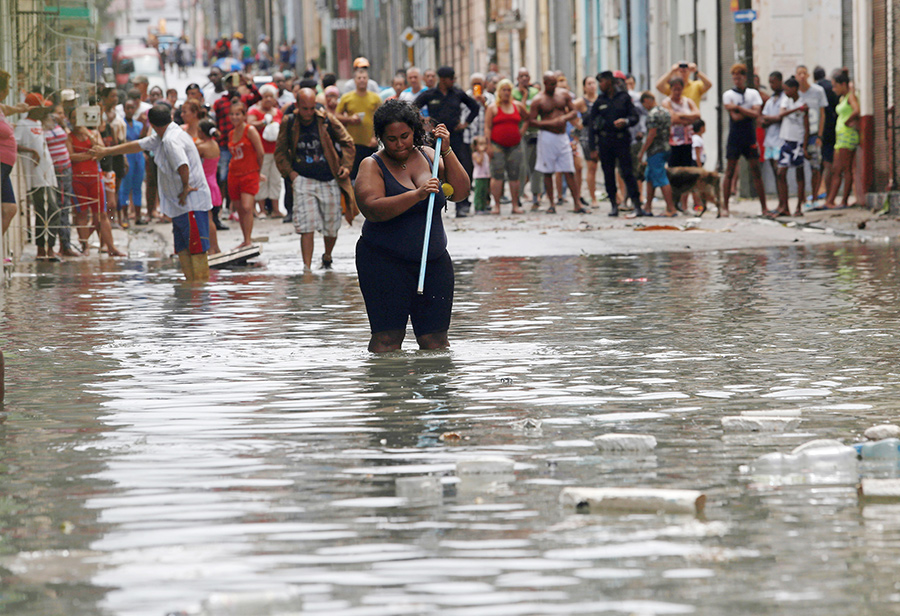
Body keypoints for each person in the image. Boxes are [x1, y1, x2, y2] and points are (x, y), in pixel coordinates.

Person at [353, 100, 470, 353]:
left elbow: (460, 192)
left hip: (434, 261)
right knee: (387, 340)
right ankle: (388, 389)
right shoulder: (371, 165)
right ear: (381, 138)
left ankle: (436, 389)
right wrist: (416, 195)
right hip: (383, 262)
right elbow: (372, 208)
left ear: (414, 131)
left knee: (435, 342)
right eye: (391, 139)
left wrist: (448, 151)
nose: (399, 144)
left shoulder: (431, 154)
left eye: (405, 136)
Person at [92, 104, 214, 281]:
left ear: (152, 124)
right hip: (180, 206)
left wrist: (186, 186)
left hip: (191, 203)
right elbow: (138, 145)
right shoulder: (163, 135)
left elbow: (183, 165)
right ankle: (192, 289)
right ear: (171, 118)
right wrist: (107, 151)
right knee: (182, 249)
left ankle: (200, 292)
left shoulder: (171, 140)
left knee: (197, 250)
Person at [274, 88, 357, 270]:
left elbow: (348, 141)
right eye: (305, 109)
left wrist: (346, 166)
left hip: (329, 177)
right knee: (306, 225)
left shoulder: (325, 119)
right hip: (303, 178)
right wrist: (291, 174)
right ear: (297, 106)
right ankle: (307, 268)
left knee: (332, 225)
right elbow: (279, 152)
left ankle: (327, 256)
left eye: (312, 108)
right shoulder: (290, 122)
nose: (309, 113)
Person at [413, 66, 480, 217]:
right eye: (451, 79)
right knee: (433, 170)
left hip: (455, 137)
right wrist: (423, 120)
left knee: (463, 167)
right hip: (435, 139)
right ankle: (434, 203)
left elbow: (474, 107)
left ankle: (462, 204)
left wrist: (466, 123)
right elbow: (412, 108)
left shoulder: (457, 93)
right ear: (443, 80)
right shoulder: (430, 94)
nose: (453, 81)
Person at [67, 108, 125, 257]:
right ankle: (85, 245)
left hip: (94, 178)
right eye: (72, 118)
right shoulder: (69, 136)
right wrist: (88, 154)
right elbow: (71, 156)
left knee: (101, 214)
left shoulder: (93, 133)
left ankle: (111, 247)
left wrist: (88, 135)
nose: (75, 122)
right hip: (78, 179)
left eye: (77, 118)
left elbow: (100, 152)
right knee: (82, 214)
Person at [527, 71, 584, 214]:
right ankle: (552, 203)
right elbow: (531, 120)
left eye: (555, 83)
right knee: (547, 171)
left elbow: (574, 111)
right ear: (545, 83)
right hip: (547, 137)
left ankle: (577, 203)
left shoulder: (563, 95)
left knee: (568, 169)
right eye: (551, 83)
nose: (553, 86)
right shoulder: (538, 100)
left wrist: (563, 118)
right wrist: (550, 122)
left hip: (562, 136)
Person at [589, 70, 642, 216]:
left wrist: (626, 121)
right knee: (608, 174)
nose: (600, 85)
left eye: (603, 81)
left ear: (610, 82)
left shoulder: (624, 98)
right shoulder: (599, 101)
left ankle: (636, 204)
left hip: (621, 140)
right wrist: (593, 147)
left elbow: (634, 117)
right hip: (605, 141)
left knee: (627, 173)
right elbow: (592, 127)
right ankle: (614, 204)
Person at [14, 93, 61, 260]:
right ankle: (42, 249)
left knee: (53, 211)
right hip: (36, 176)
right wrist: (31, 151)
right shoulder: (23, 124)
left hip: (48, 174)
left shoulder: (39, 124)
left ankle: (49, 247)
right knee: (44, 211)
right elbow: (15, 143)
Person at [721, 63, 768, 217]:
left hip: (750, 136)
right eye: (735, 77)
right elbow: (735, 117)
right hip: (735, 137)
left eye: (739, 77)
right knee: (730, 171)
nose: (737, 80)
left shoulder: (753, 94)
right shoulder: (728, 94)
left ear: (744, 78)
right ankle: (725, 206)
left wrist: (739, 108)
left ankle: (764, 206)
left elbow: (756, 114)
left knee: (756, 171)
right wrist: (748, 112)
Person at [212, 72, 261, 211]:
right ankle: (221, 206)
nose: (232, 86)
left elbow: (258, 97)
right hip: (225, 143)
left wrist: (248, 82)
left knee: (242, 175)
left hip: (242, 143)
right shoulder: (219, 102)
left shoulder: (243, 100)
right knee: (223, 176)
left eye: (235, 82)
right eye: (229, 83)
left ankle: (234, 206)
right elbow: (216, 121)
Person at [484, 78, 527, 214]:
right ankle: (496, 205)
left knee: (514, 175)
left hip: (515, 145)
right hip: (497, 146)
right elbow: (487, 127)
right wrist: (488, 145)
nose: (506, 93)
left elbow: (527, 119)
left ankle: (515, 205)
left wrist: (522, 131)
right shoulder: (493, 108)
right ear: (499, 92)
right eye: (504, 90)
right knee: (497, 175)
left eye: (509, 90)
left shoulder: (518, 106)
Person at [43, 103, 81, 256]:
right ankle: (58, 245)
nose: (60, 114)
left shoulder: (59, 124)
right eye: (57, 112)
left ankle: (65, 244)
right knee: (56, 207)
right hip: (54, 171)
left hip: (65, 168)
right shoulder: (40, 126)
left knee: (64, 206)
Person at [336, 67, 382, 180]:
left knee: (371, 174)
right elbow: (337, 116)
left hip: (370, 143)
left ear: (368, 80)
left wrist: (375, 137)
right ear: (354, 80)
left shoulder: (375, 98)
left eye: (364, 78)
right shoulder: (347, 98)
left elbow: (381, 119)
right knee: (353, 175)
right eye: (359, 78)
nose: (362, 80)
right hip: (352, 143)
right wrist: (350, 119)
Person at [773, 76, 809, 217]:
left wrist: (804, 146)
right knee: (781, 172)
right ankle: (784, 206)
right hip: (785, 140)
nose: (785, 92)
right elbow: (781, 114)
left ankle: (799, 206)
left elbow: (806, 126)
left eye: (787, 89)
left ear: (795, 89)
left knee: (799, 174)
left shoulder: (803, 103)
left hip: (797, 141)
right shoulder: (786, 100)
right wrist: (796, 109)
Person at [637, 91, 676, 217]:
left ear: (647, 101)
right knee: (649, 176)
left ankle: (671, 208)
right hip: (665, 147)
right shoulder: (665, 112)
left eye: (644, 104)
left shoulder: (652, 114)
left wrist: (642, 151)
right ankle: (648, 207)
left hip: (655, 150)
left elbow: (651, 134)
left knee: (661, 177)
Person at [248, 84, 284, 218]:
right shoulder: (255, 112)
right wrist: (263, 122)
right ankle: (262, 209)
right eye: (265, 96)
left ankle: (275, 209)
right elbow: (250, 124)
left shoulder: (277, 112)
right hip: (261, 151)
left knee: (275, 179)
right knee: (262, 179)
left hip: (276, 151)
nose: (268, 99)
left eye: (271, 96)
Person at [824, 73, 860, 209]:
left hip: (847, 136)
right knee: (836, 168)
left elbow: (856, 110)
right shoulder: (842, 98)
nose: (834, 89)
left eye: (835, 86)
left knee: (846, 169)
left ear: (843, 84)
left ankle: (844, 200)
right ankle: (831, 200)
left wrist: (847, 121)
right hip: (840, 137)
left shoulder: (850, 96)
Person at [796, 65, 828, 208]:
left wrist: (820, 135)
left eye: (804, 73)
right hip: (799, 135)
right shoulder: (794, 93)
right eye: (799, 73)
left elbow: (822, 114)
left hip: (814, 134)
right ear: (796, 76)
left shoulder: (818, 91)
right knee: (799, 167)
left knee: (815, 167)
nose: (802, 76)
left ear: (808, 75)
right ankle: (802, 200)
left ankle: (814, 198)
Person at [513, 67, 542, 207]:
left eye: (526, 75)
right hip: (519, 134)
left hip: (535, 132)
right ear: (517, 79)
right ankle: (518, 197)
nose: (524, 78)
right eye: (521, 76)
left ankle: (536, 195)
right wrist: (524, 97)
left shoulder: (536, 93)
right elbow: (519, 114)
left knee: (536, 166)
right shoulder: (512, 93)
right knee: (521, 167)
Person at [760, 71, 787, 212]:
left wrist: (770, 119)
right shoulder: (771, 100)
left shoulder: (784, 99)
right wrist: (771, 119)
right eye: (770, 82)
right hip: (769, 141)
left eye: (774, 82)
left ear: (780, 81)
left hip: (780, 140)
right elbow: (763, 120)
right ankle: (779, 203)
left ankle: (784, 204)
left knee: (780, 173)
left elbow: (779, 117)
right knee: (775, 173)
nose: (771, 85)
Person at [118, 99, 147, 225]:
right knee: (125, 186)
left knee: (137, 186)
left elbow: (142, 139)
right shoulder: (121, 124)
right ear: (124, 109)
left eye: (132, 108)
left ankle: (138, 215)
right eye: (127, 108)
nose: (130, 111)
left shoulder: (139, 125)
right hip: (127, 157)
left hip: (138, 157)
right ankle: (125, 216)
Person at [573, 76, 599, 206]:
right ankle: (593, 197)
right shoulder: (581, 102)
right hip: (587, 137)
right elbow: (569, 110)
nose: (592, 86)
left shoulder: (600, 99)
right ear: (584, 87)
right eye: (589, 83)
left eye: (593, 83)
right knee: (591, 167)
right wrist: (577, 124)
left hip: (600, 135)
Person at [471, 136, 491, 213]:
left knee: (485, 192)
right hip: (478, 176)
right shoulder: (476, 154)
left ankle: (484, 206)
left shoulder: (486, 154)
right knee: (478, 192)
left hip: (486, 175)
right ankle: (478, 207)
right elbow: (479, 162)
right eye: (481, 144)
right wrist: (481, 153)